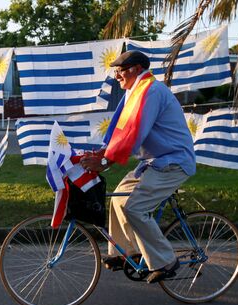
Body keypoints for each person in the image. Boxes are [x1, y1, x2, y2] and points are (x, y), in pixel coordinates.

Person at [80, 50, 196, 284]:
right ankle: (128, 252)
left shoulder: (150, 91)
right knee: (118, 199)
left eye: (120, 71)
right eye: (116, 71)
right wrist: (102, 152)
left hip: (173, 162)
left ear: (135, 69)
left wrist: (106, 161)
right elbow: (119, 128)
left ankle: (165, 260)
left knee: (135, 208)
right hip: (154, 162)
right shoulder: (135, 91)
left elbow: (135, 132)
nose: (117, 75)